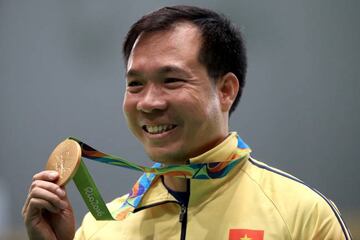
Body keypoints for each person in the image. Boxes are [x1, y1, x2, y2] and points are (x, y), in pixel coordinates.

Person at [22, 5, 352, 240]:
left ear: (225, 90)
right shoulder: (100, 228)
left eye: (172, 80)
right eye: (135, 84)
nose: (149, 102)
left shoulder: (302, 216)